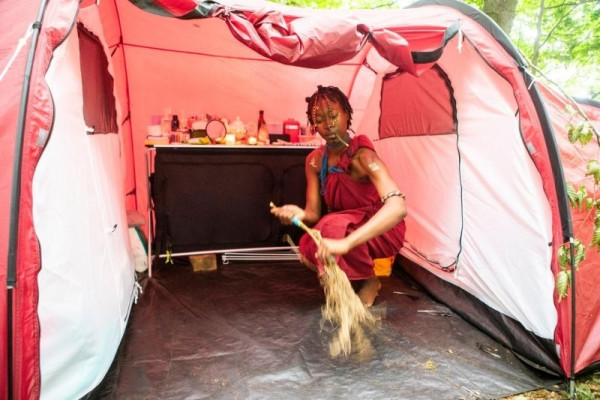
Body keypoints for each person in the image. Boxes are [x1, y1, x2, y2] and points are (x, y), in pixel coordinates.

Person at [271, 85, 407, 307]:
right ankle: (356, 278)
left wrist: (346, 244)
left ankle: (369, 280)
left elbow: (398, 207)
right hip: (344, 226)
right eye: (320, 120)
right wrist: (299, 215)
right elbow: (313, 214)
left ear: (347, 114)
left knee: (331, 225)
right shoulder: (314, 161)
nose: (328, 125)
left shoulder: (363, 157)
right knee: (311, 243)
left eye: (333, 116)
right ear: (314, 125)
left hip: (382, 229)